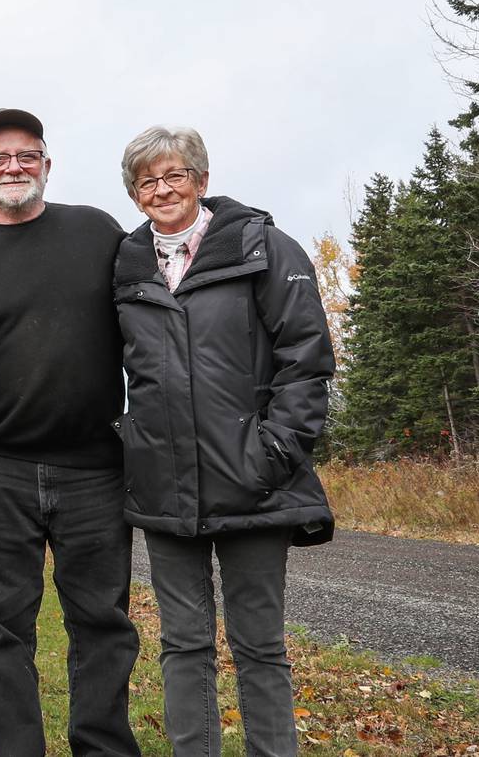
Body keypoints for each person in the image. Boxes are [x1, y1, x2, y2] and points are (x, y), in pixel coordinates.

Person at [0, 108, 140, 757]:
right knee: (3, 632)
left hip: (96, 469)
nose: (13, 166)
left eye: (26, 155)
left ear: (46, 164)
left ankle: (105, 749)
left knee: (103, 626)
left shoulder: (96, 233)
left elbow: (152, 324)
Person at [112, 125, 335, 757]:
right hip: (165, 488)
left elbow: (307, 358)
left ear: (202, 181)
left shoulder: (264, 247)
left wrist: (271, 453)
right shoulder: (126, 265)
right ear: (135, 194)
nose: (162, 189)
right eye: (147, 181)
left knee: (259, 646)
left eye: (175, 175)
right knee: (182, 644)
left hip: (256, 482)